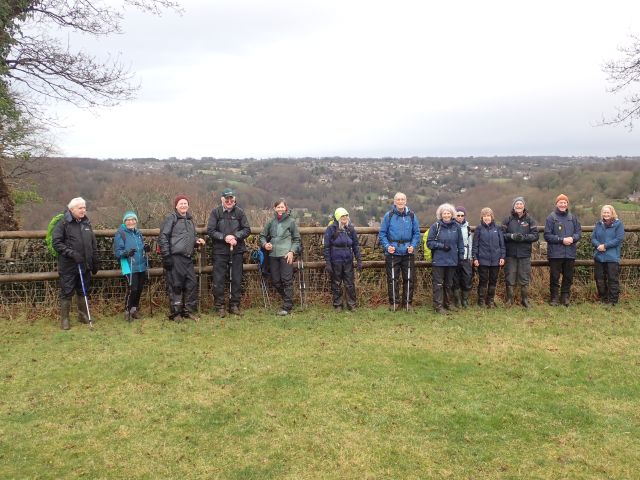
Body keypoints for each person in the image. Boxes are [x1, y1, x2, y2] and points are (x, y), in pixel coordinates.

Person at [51, 197, 99, 330]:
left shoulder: (86, 223)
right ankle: (65, 319)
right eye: (80, 208)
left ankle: (83, 315)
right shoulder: (63, 223)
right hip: (69, 265)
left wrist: (94, 261)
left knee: (83, 290)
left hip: (85, 265)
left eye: (84, 207)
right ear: (72, 209)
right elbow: (56, 242)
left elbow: (92, 243)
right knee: (67, 292)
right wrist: (71, 253)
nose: (83, 210)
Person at [158, 195, 206, 321]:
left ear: (188, 205)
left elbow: (190, 237)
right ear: (176, 206)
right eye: (181, 203)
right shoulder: (171, 218)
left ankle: (188, 311)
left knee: (191, 284)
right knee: (176, 285)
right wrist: (166, 256)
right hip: (175, 257)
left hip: (187, 258)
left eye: (185, 203)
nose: (183, 205)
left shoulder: (190, 220)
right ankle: (176, 313)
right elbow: (163, 237)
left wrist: (197, 241)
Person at [206, 187, 251, 317]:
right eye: (227, 199)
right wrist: (225, 237)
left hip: (237, 251)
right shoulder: (216, 212)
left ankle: (234, 305)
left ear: (234, 199)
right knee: (219, 279)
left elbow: (247, 229)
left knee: (236, 278)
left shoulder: (240, 213)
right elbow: (211, 230)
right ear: (222, 199)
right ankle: (220, 306)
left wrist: (235, 236)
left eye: (231, 199)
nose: (229, 201)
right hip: (220, 252)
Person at [379, 192, 421, 311]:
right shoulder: (389, 216)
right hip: (393, 253)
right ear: (394, 201)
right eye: (398, 199)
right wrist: (387, 246)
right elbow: (382, 234)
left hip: (408, 252)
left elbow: (416, 234)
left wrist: (413, 245)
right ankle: (394, 303)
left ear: (406, 201)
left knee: (409, 279)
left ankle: (408, 304)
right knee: (392, 279)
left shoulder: (412, 215)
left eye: (402, 199)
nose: (400, 201)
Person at [259, 198, 301, 316]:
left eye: (282, 207)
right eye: (278, 207)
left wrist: (292, 251)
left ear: (286, 208)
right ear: (275, 208)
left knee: (286, 280)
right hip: (272, 255)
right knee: (276, 281)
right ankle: (289, 300)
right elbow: (262, 236)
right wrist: (265, 244)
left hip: (286, 255)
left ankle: (287, 307)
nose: (280, 209)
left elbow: (297, 239)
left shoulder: (291, 222)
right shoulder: (270, 222)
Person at [544, 194, 582, 306]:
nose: (563, 204)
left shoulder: (572, 218)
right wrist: (561, 240)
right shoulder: (551, 217)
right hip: (555, 253)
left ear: (567, 204)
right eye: (560, 202)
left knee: (568, 276)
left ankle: (565, 297)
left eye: (565, 202)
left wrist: (573, 238)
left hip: (570, 253)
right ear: (556, 204)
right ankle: (554, 298)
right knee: (554, 277)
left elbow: (578, 233)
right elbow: (547, 235)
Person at [502, 197, 539, 308]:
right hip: (510, 253)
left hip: (524, 253)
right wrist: (511, 236)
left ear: (524, 206)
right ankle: (509, 300)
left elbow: (536, 235)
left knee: (524, 277)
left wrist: (524, 237)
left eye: (520, 204)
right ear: (513, 206)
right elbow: (501, 235)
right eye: (517, 204)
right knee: (510, 276)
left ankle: (525, 300)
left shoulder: (530, 220)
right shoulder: (507, 219)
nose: (519, 206)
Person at [427, 203, 464, 313]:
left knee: (449, 283)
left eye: (448, 213)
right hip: (439, 260)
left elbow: (460, 243)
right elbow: (430, 243)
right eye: (444, 213)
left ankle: (448, 304)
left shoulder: (456, 227)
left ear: (452, 214)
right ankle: (438, 306)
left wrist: (460, 256)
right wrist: (442, 246)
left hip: (452, 260)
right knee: (438, 284)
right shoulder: (436, 226)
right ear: (441, 214)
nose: (446, 215)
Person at [113, 211, 150, 321]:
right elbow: (117, 252)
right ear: (125, 222)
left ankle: (134, 310)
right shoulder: (121, 233)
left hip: (141, 265)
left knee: (139, 289)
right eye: (128, 220)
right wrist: (126, 253)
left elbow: (141, 247)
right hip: (128, 265)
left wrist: (146, 248)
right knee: (132, 289)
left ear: (136, 221)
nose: (131, 222)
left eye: (133, 220)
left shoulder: (138, 233)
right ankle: (127, 311)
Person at [323, 207, 362, 311]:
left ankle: (351, 304)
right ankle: (338, 304)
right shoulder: (331, 229)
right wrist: (328, 263)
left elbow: (356, 246)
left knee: (350, 283)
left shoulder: (350, 229)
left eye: (346, 216)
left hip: (348, 260)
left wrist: (359, 260)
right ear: (337, 217)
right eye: (342, 216)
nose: (344, 218)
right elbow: (326, 247)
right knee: (336, 283)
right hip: (335, 260)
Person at [472, 207, 505, 308]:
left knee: (493, 280)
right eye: (484, 216)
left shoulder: (497, 228)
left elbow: (502, 244)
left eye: (488, 215)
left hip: (495, 260)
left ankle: (490, 300)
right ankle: (481, 301)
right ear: (482, 217)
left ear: (492, 216)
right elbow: (475, 245)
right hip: (483, 260)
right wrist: (475, 258)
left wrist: (502, 257)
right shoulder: (479, 229)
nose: (487, 218)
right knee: (483, 280)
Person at [592, 204, 625, 305]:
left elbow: (619, 239)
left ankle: (613, 300)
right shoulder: (598, 224)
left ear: (612, 213)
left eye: (608, 212)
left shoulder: (618, 224)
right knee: (599, 278)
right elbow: (593, 238)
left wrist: (605, 246)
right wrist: (598, 245)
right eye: (604, 212)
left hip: (612, 256)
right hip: (599, 256)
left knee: (612, 278)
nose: (606, 214)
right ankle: (603, 298)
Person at [452, 206, 473, 308]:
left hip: (465, 257)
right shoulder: (451, 226)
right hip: (454, 257)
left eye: (462, 215)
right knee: (455, 279)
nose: (460, 217)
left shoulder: (467, 227)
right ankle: (457, 301)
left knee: (467, 278)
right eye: (458, 215)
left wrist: (470, 257)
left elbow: (470, 243)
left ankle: (465, 300)